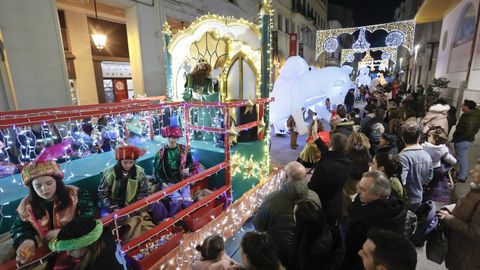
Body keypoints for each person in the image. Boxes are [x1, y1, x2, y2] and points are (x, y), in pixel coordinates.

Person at [10, 157, 94, 265]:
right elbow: (20, 227)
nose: (44, 189)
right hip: (47, 250)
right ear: (32, 188)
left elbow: (87, 218)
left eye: (49, 183)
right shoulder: (26, 206)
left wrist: (64, 232)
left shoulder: (77, 195)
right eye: (38, 186)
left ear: (57, 182)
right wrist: (26, 241)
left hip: (75, 245)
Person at [253, 161, 320, 267]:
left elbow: (259, 226)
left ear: (285, 176)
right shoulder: (314, 197)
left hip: (278, 251)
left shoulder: (272, 199)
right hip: (305, 250)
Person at [341, 171, 407, 270]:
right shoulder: (396, 206)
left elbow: (351, 249)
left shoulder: (366, 220)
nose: (358, 191)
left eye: (363, 189)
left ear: (377, 195)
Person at [437, 158, 480, 270]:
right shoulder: (476, 189)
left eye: (476, 171)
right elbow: (464, 206)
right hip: (460, 248)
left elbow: (476, 233)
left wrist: (449, 219)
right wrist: (448, 208)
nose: (471, 172)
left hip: (469, 255)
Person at [154, 112, 194, 216]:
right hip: (168, 183)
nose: (172, 140)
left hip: (183, 181)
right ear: (167, 137)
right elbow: (158, 174)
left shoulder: (184, 150)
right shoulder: (160, 153)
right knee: (177, 200)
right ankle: (172, 221)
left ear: (178, 138)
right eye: (170, 137)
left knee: (187, 201)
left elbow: (191, 163)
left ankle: (187, 218)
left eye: (174, 137)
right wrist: (164, 185)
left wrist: (188, 169)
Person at [48, 217, 126, 270]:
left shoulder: (96, 265)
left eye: (73, 249)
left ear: (87, 244)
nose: (68, 253)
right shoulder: (105, 239)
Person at [309, 133, 352, 227]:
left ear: (330, 144)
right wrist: (317, 138)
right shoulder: (348, 162)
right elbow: (329, 153)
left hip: (322, 206)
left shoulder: (324, 167)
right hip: (336, 203)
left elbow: (312, 188)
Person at [291, 200, 344, 270]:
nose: (293, 217)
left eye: (294, 214)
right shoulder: (323, 229)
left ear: (302, 222)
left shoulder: (312, 252)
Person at [98, 145, 149, 216]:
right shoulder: (109, 173)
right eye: (125, 162)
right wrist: (111, 207)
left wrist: (133, 205)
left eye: (131, 162)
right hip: (111, 205)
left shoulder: (139, 172)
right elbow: (102, 194)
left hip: (132, 204)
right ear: (120, 161)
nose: (128, 165)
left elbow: (143, 192)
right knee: (106, 218)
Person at [397, 123, 433, 211]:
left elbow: (401, 181)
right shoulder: (427, 155)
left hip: (405, 199)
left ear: (403, 138)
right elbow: (429, 178)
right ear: (418, 138)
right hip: (419, 197)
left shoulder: (402, 157)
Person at [421, 127, 456, 203]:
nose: (428, 137)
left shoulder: (424, 147)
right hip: (436, 167)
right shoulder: (443, 148)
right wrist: (454, 162)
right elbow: (448, 158)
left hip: (426, 168)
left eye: (429, 136)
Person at [452, 99, 480, 182]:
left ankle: (462, 176)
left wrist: (458, 139)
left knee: (462, 158)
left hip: (463, 140)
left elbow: (468, 132)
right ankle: (459, 173)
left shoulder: (471, 117)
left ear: (467, 107)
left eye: (463, 104)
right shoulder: (469, 115)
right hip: (462, 139)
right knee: (460, 157)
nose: (461, 106)